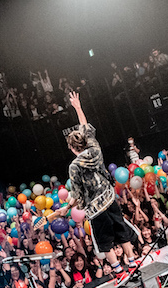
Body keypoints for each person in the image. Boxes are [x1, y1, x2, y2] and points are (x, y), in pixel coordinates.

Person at [59, 91, 138, 277]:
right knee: (120, 229)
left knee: (105, 240)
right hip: (110, 198)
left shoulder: (74, 166)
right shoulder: (94, 147)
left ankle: (119, 272)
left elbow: (77, 194)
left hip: (95, 208)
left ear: (71, 148)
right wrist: (78, 107)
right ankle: (133, 263)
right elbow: (85, 126)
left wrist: (67, 208)